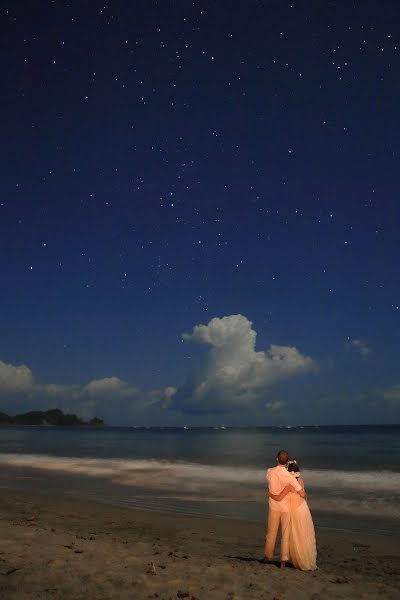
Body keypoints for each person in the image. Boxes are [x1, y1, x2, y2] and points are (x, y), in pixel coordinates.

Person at [268, 460, 317, 571]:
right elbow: (304, 495)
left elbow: (279, 498)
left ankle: (285, 563)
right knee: (305, 535)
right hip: (304, 510)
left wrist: (270, 494)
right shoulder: (300, 480)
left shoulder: (288, 484)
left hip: (293, 512)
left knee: (291, 536)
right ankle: (307, 560)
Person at [264, 449, 305, 568]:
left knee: (271, 533)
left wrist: (273, 494)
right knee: (285, 534)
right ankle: (283, 561)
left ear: (277, 459)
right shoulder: (289, 476)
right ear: (287, 461)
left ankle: (267, 557)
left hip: (273, 506)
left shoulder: (269, 472)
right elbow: (301, 493)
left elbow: (271, 485)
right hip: (286, 507)